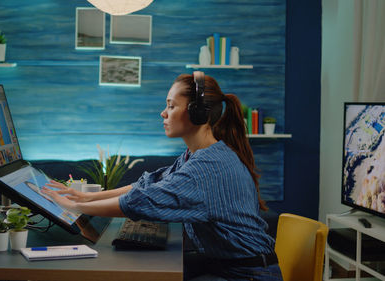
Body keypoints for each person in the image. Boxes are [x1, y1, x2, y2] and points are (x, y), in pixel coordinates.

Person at [42, 72, 283, 281]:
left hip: (247, 275)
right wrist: (83, 199)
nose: (163, 113)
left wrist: (75, 207)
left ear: (197, 114)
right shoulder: (196, 155)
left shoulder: (209, 166)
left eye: (170, 106)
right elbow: (149, 184)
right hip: (229, 265)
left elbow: (143, 200)